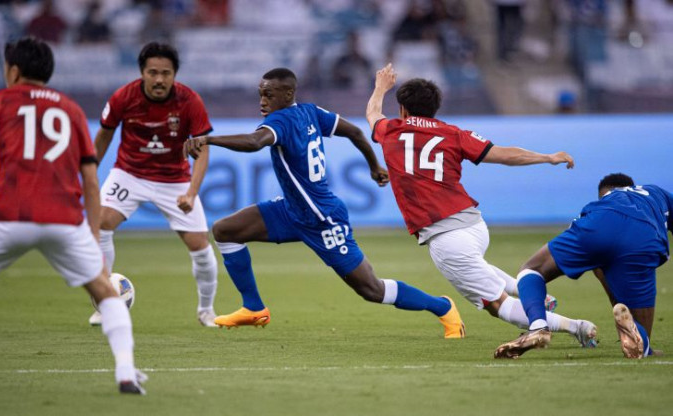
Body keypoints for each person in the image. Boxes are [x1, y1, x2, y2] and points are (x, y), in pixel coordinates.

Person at [183, 67, 466, 339]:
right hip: (292, 210)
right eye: (260, 94)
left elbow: (256, 142)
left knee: (371, 289)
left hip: (322, 219)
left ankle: (442, 307)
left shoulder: (280, 122)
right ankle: (253, 308)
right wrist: (373, 166)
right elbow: (355, 132)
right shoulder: (311, 112)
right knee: (225, 230)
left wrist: (209, 139)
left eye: (268, 95)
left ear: (288, 94)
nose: (262, 101)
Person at [0, 37, 145, 394]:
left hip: (9, 216)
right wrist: (93, 236)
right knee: (104, 289)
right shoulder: (71, 109)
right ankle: (126, 372)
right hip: (64, 220)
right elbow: (90, 181)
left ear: (14, 70)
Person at [365, 63, 598, 348]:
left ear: (402, 110)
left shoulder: (391, 130)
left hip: (445, 236)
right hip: (473, 224)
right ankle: (533, 294)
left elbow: (372, 114)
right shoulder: (454, 133)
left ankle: (576, 327)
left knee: (497, 305)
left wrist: (380, 88)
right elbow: (503, 155)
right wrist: (547, 157)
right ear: (435, 109)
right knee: (477, 265)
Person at [88, 42, 218, 328]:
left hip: (174, 180)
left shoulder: (189, 101)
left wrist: (191, 193)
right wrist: (89, 175)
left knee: (200, 245)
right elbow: (104, 136)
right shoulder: (123, 97)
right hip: (129, 173)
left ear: (175, 75)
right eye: (153, 73)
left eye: (166, 73)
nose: (159, 79)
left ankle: (206, 311)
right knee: (101, 223)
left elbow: (203, 150)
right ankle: (105, 303)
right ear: (142, 73)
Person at [495, 173, 673, 359]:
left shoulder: (602, 204)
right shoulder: (654, 193)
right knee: (638, 321)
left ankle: (538, 326)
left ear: (605, 193)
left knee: (533, 269)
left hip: (597, 226)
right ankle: (643, 344)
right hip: (644, 239)